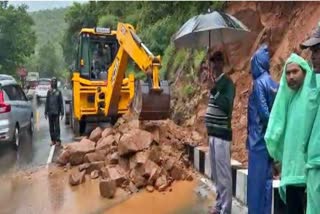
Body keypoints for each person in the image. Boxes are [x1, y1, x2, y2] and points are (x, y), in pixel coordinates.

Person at [264, 53, 318, 214]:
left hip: (310, 173)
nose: (291, 76)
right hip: (291, 175)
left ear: (305, 72)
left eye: (295, 72)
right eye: (287, 73)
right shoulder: (288, 101)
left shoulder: (312, 97)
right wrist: (278, 157)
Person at [247, 44, 278, 214]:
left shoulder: (259, 84)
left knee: (256, 187)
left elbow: (264, 113)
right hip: (267, 143)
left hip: (257, 142)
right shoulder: (273, 83)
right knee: (266, 184)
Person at [205, 51, 236, 214]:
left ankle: (226, 209)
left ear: (222, 63)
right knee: (216, 174)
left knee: (224, 175)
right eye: (212, 61)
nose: (214, 64)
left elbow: (226, 106)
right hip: (212, 134)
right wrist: (212, 87)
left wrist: (214, 90)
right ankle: (219, 205)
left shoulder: (228, 83)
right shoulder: (215, 82)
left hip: (222, 134)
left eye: (218, 61)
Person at [300, 23, 320, 214]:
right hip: (314, 164)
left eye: (317, 50)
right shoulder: (314, 83)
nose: (313, 56)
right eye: (312, 50)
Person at [45, 77, 64, 146]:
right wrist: (45, 112)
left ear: (56, 83)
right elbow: (47, 102)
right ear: (51, 83)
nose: (53, 83)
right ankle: (53, 140)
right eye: (52, 81)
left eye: (54, 81)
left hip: (56, 112)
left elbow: (61, 102)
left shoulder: (59, 92)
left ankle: (58, 140)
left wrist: (62, 112)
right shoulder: (49, 92)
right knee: (51, 127)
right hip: (50, 112)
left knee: (57, 127)